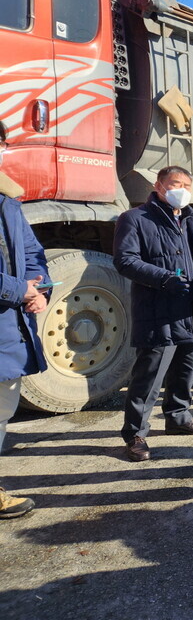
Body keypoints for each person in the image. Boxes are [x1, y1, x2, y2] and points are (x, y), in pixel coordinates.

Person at [114, 166, 193, 462]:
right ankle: (135, 434)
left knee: (185, 370)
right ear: (159, 185)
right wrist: (164, 278)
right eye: (176, 183)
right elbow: (125, 261)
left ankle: (178, 417)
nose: (182, 190)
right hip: (158, 311)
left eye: (187, 185)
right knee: (149, 376)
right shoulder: (135, 219)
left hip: (190, 309)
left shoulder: (191, 218)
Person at [0, 123, 50, 519]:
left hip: (8, 329)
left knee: (2, 408)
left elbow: (33, 252)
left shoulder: (8, 201)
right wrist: (22, 291)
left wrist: (40, 287)